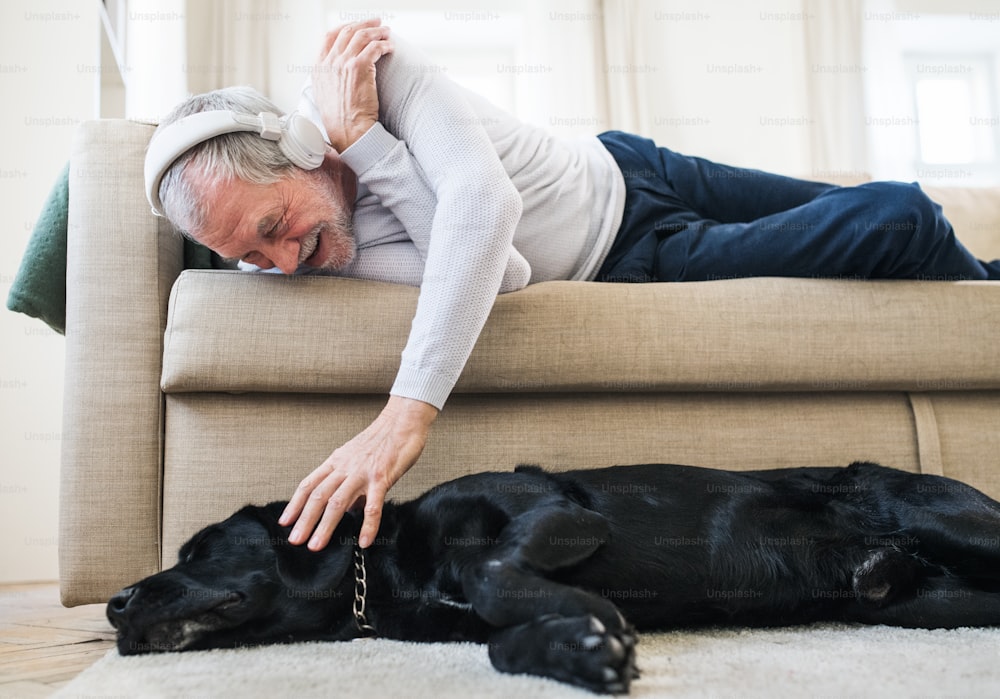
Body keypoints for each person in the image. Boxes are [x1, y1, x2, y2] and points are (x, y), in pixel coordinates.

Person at [147, 19, 1000, 553]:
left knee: (875, 219)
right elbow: (506, 266)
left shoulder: (382, 80)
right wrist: (371, 152)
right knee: (897, 217)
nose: (288, 263)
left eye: (271, 229)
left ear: (299, 147)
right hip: (633, 254)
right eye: (256, 261)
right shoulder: (334, 247)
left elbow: (486, 201)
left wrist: (405, 408)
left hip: (630, 162)